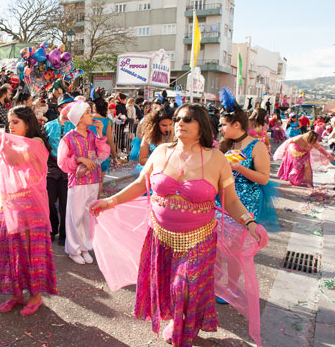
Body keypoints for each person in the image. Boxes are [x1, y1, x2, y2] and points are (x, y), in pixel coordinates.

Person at [91, 104, 263, 346]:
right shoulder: (161, 151)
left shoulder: (217, 159)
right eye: (178, 118)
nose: (180, 122)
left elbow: (232, 200)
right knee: (169, 287)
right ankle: (176, 320)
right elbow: (142, 184)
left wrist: (249, 222)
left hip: (199, 239)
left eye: (188, 119)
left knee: (184, 287)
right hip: (161, 236)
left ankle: (184, 331)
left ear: (201, 125)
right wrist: (110, 201)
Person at [0, 106, 58, 315]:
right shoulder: (9, 143)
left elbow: (17, 159)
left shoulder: (36, 143)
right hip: (10, 208)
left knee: (31, 253)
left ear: (28, 123)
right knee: (12, 253)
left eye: (16, 122)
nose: (10, 126)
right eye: (9, 122)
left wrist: (0, 139)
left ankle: (35, 297)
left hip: (33, 209)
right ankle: (16, 294)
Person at [58, 101, 109, 265]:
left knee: (88, 216)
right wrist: (79, 159)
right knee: (76, 216)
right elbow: (62, 161)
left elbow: (102, 155)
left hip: (93, 180)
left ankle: (85, 247)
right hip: (77, 182)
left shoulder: (93, 135)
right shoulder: (68, 138)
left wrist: (101, 135)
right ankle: (73, 249)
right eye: (87, 112)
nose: (91, 115)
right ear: (79, 118)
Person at [219, 104, 279, 231]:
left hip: (246, 203)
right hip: (222, 199)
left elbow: (263, 179)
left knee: (238, 242)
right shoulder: (224, 144)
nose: (220, 129)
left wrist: (238, 168)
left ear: (236, 125)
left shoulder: (257, 146)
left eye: (224, 125)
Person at [44, 94, 75, 246]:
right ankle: (51, 229)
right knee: (49, 202)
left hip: (68, 171)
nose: (69, 110)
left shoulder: (76, 127)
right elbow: (42, 146)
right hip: (51, 169)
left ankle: (64, 234)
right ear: (59, 109)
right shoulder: (49, 126)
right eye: (65, 107)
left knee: (65, 204)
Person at [89, 97, 118, 174]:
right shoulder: (106, 121)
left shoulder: (87, 119)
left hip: (87, 151)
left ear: (94, 108)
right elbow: (110, 140)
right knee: (100, 181)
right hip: (101, 152)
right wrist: (114, 155)